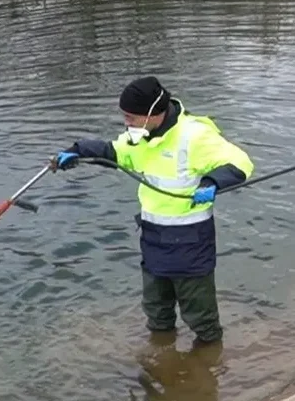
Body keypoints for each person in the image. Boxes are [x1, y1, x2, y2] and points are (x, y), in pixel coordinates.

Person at [51, 76, 254, 344]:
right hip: (153, 238)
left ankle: (208, 368)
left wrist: (212, 182)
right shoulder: (141, 137)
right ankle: (160, 359)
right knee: (157, 312)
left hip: (190, 242)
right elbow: (115, 152)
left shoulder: (194, 136)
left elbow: (240, 162)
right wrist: (78, 150)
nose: (127, 123)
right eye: (125, 116)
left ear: (153, 114)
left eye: (131, 117)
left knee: (200, 317)